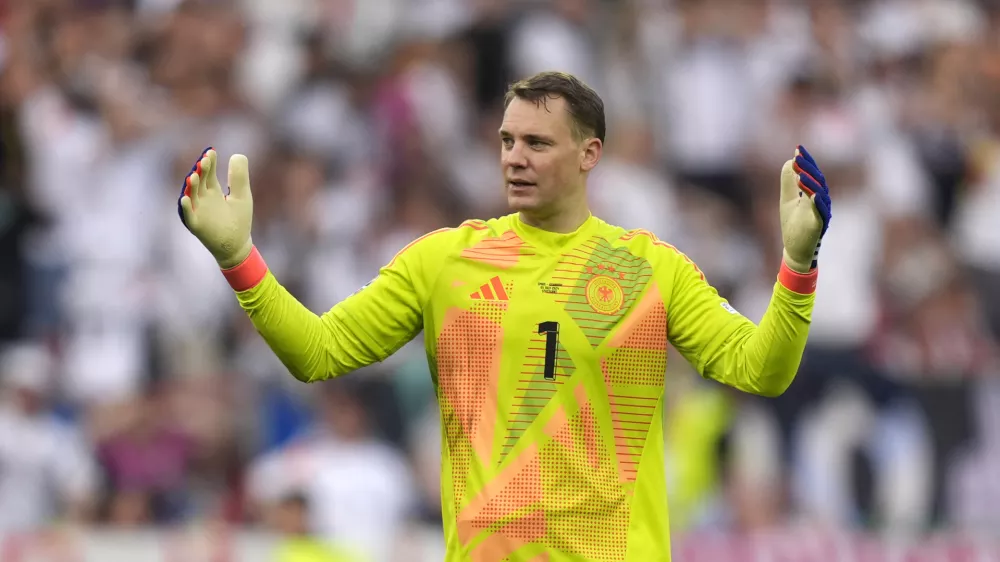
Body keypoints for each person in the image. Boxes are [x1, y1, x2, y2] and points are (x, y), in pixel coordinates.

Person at [177, 71, 831, 562]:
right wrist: (239, 257)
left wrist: (796, 265)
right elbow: (317, 352)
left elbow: (762, 370)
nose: (514, 156)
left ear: (589, 154)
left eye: (537, 143)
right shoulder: (443, 262)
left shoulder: (651, 270)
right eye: (507, 140)